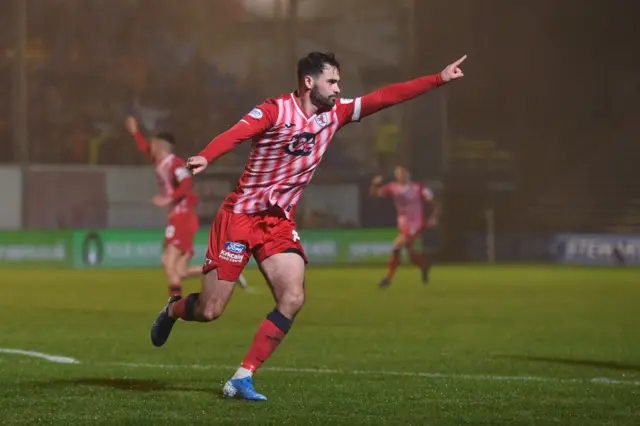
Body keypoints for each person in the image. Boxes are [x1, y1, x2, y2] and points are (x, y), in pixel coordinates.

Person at [150, 52, 466, 401]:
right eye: (332, 81)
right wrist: (207, 156)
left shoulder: (336, 113)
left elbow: (384, 97)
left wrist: (437, 78)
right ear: (308, 82)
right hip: (240, 218)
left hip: (278, 222)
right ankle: (173, 308)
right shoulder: (275, 110)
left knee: (293, 297)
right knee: (210, 311)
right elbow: (237, 133)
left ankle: (241, 378)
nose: (338, 88)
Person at [125, 117, 248, 296]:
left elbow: (186, 183)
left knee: (168, 261)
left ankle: (173, 307)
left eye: (153, 144)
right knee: (179, 271)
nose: (150, 147)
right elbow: (145, 149)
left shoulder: (174, 163)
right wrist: (135, 132)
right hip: (179, 217)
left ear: (160, 146)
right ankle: (224, 268)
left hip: (182, 216)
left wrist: (168, 199)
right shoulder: (161, 163)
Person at [370, 166, 439, 287]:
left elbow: (433, 201)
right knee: (411, 256)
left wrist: (433, 216)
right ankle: (424, 267)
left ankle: (388, 278)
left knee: (397, 245)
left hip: (416, 223)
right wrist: (374, 184)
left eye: (402, 173)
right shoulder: (393, 187)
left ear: (408, 174)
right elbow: (375, 194)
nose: (400, 175)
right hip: (403, 224)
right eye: (398, 173)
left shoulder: (418, 187)